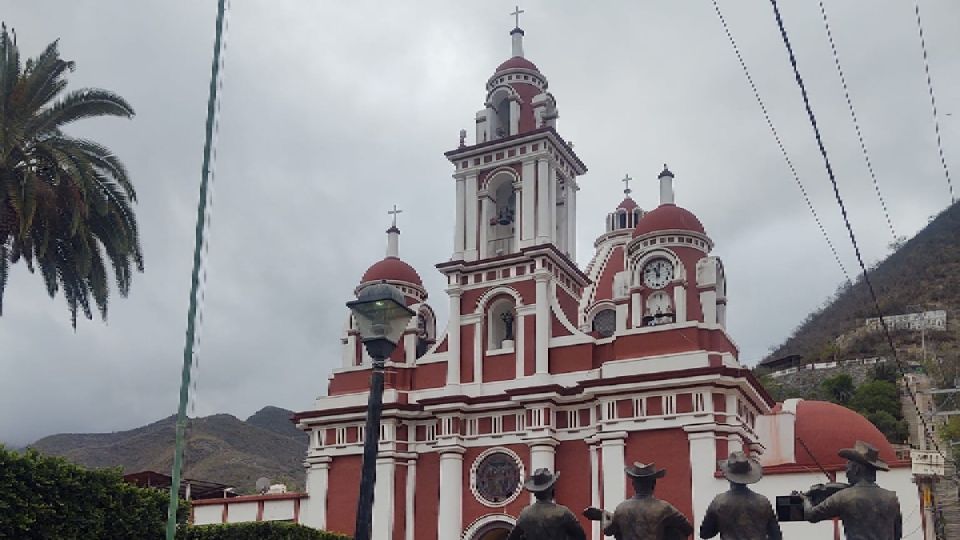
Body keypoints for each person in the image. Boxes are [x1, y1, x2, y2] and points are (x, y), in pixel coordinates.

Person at [802, 440, 902, 540]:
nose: (846, 472)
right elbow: (897, 534)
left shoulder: (844, 496)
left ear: (857, 469)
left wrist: (805, 499)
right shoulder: (891, 498)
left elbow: (811, 515)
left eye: (848, 466)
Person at [699, 451, 782, 540]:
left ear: (728, 476)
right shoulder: (763, 501)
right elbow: (776, 536)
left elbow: (705, 534)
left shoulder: (719, 502)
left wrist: (722, 522)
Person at [604, 462, 693, 540]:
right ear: (654, 484)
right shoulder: (664, 508)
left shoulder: (621, 508)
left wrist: (604, 516)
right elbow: (688, 528)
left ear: (633, 484)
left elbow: (609, 531)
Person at [506, 468, 587, 540]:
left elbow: (512, 537)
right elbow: (580, 536)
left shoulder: (525, 514)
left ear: (535, 492)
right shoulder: (563, 513)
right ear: (551, 489)